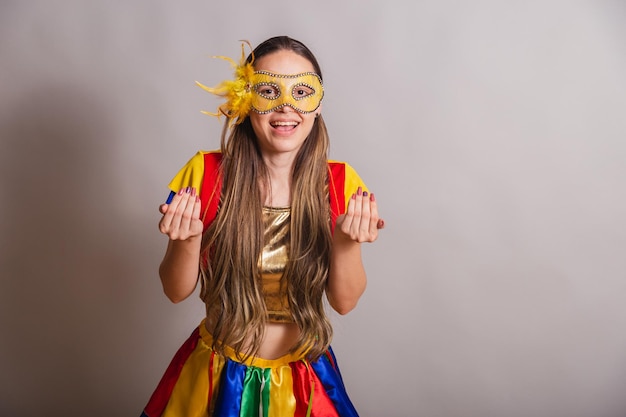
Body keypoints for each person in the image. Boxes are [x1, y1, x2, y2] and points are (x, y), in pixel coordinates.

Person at [140, 35, 384, 417]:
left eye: (301, 91)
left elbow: (345, 302)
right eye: (268, 90)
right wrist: (187, 239)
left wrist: (346, 244)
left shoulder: (340, 183)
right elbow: (175, 291)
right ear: (245, 101)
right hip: (218, 378)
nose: (286, 107)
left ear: (317, 105)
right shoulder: (205, 174)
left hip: (303, 384)